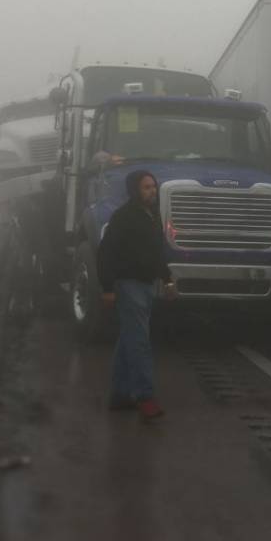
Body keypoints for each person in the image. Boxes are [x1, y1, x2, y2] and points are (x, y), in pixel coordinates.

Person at [97, 169, 176, 420]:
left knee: (128, 339)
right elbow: (105, 253)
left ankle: (120, 396)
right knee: (140, 341)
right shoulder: (123, 217)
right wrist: (107, 288)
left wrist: (167, 279)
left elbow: (156, 252)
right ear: (134, 190)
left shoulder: (151, 215)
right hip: (128, 285)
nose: (152, 191)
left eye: (153, 186)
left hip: (145, 285)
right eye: (146, 187)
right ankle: (145, 397)